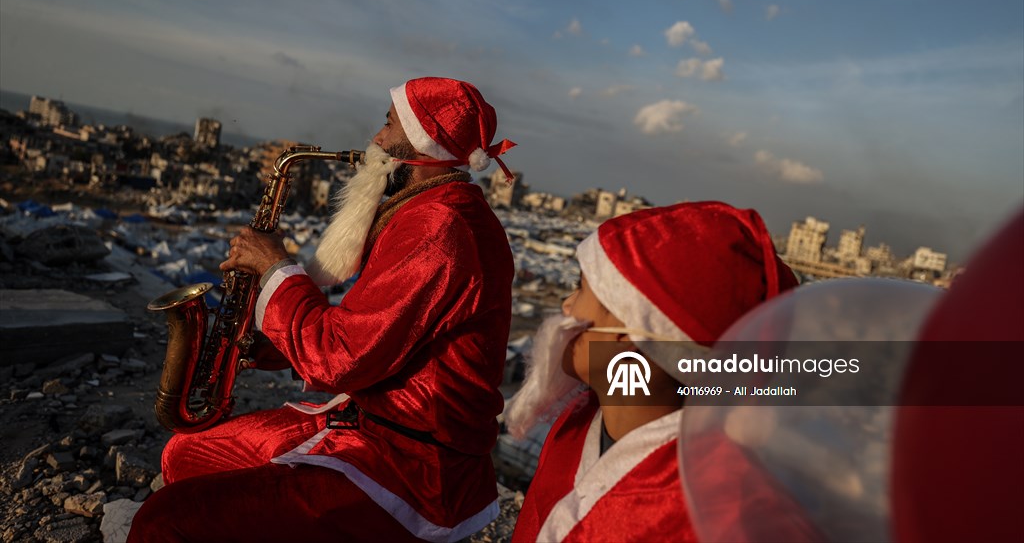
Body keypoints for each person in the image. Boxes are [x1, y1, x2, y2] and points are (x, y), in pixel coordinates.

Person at [129, 77, 517, 542]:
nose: (375, 139)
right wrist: (253, 342)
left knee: (164, 520)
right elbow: (368, 332)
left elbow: (340, 358)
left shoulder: (438, 228)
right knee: (183, 455)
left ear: (423, 147)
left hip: (410, 468)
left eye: (389, 124)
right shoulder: (428, 209)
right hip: (367, 427)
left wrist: (276, 267)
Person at [505, 201, 799, 543]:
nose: (566, 305)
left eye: (582, 287)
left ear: (633, 334)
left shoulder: (706, 516)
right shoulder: (577, 421)